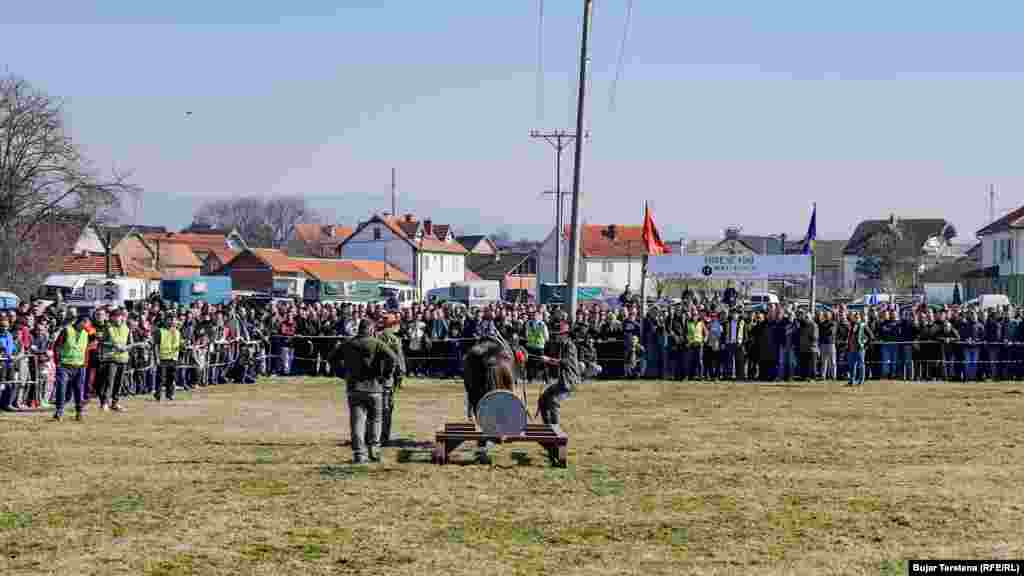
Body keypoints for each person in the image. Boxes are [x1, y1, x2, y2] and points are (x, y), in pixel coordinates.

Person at [340, 319, 398, 464]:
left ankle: (359, 454)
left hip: (354, 388)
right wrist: (386, 375)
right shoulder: (377, 343)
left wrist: (342, 374)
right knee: (376, 420)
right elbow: (393, 357)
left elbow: (331, 358)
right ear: (371, 330)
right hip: (375, 388)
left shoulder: (348, 343)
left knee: (357, 422)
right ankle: (374, 451)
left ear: (359, 329)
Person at [536, 321, 579, 463]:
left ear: (566, 335)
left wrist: (549, 360)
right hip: (561, 381)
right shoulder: (559, 345)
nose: (557, 336)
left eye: (559, 334)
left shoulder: (570, 345)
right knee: (543, 400)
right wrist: (545, 362)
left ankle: (556, 432)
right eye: (556, 334)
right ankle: (548, 428)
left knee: (553, 401)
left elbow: (565, 362)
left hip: (569, 382)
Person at [52, 315, 90, 421]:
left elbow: (86, 349)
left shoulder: (86, 333)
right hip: (64, 365)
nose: (88, 326)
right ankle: (59, 412)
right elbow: (57, 346)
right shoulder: (67, 330)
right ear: (80, 322)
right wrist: (58, 362)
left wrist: (85, 364)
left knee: (79, 390)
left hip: (80, 366)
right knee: (61, 389)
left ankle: (79, 412)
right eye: (86, 323)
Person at [376, 314, 406, 447]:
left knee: (373, 408)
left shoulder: (375, 337)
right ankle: (384, 437)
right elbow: (399, 361)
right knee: (387, 408)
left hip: (374, 379)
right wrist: (400, 377)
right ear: (392, 325)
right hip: (388, 379)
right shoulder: (394, 340)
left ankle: (371, 434)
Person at [98, 308, 132, 412]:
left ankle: (115, 403)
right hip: (111, 358)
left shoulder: (126, 328)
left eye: (118, 316)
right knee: (109, 382)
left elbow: (130, 343)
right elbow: (102, 342)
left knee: (119, 383)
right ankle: (104, 403)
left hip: (123, 359)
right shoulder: (108, 328)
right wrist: (113, 345)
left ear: (122, 317)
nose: (116, 318)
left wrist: (126, 348)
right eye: (114, 316)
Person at [153, 315, 182, 401]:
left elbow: (178, 345)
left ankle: (169, 394)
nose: (173, 322)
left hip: (173, 358)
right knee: (161, 378)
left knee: (172, 377)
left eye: (174, 320)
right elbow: (156, 345)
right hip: (163, 357)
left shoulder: (178, 332)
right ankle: (158, 394)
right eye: (170, 320)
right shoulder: (160, 331)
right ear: (166, 321)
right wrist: (157, 358)